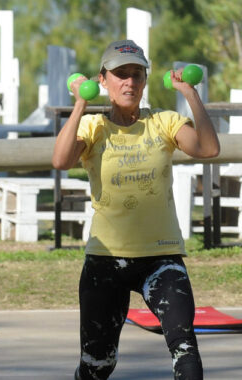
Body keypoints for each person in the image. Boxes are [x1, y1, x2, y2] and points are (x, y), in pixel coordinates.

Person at [52, 40, 219, 380]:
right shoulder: (92, 126)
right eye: (120, 75)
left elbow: (208, 148)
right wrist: (81, 103)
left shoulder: (164, 122)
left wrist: (189, 94)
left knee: (184, 348)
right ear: (103, 80)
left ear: (145, 81)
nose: (129, 82)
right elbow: (60, 160)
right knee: (98, 365)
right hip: (105, 260)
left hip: (162, 257)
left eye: (136, 75)